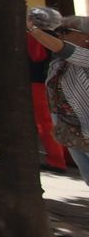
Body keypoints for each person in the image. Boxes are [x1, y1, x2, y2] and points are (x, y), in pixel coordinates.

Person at [25, 11, 89, 184]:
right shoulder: (59, 62)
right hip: (71, 128)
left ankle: (57, 159)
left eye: (66, 31)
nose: (60, 35)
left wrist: (34, 31)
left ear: (86, 37)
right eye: (59, 30)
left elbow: (63, 49)